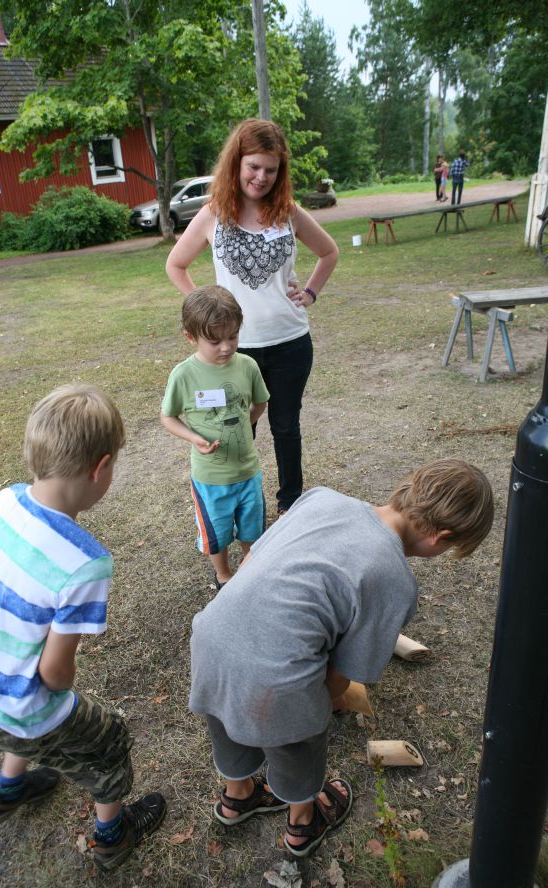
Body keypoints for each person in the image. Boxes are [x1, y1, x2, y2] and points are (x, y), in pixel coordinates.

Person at [189, 459, 494, 857]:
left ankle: (238, 797)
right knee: (298, 740)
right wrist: (327, 702)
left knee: (227, 718)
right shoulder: (395, 579)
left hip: (211, 640)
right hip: (275, 681)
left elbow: (250, 562)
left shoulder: (321, 498)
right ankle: (302, 824)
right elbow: (341, 676)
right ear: (442, 537)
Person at [0, 385, 166, 871]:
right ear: (100, 468)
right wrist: (66, 684)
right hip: (17, 708)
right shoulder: (84, 562)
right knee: (108, 741)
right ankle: (112, 836)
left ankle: (9, 787)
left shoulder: (0, 502)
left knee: (29, 721)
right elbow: (54, 676)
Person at [166, 118, 339, 516]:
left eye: (271, 170)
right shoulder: (213, 215)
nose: (261, 177)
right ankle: (240, 505)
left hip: (290, 342)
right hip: (235, 349)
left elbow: (329, 252)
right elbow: (175, 264)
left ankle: (290, 505)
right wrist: (207, 310)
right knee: (239, 428)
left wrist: (310, 293)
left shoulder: (288, 212)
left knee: (286, 427)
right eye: (254, 166)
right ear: (237, 163)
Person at [160, 285, 269, 588]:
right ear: (190, 337)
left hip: (247, 471)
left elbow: (260, 402)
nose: (226, 347)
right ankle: (223, 575)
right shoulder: (184, 375)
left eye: (233, 336)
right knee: (217, 533)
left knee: (252, 528)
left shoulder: (247, 366)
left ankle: (253, 571)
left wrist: (244, 423)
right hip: (210, 478)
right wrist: (193, 437)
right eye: (215, 341)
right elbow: (167, 417)